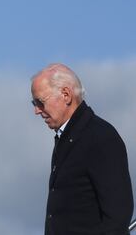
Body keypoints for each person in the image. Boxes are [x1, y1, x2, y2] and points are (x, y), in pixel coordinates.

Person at [31, 63, 133, 235]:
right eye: (34, 103)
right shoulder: (67, 138)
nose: (36, 110)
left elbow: (118, 216)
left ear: (66, 95)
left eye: (40, 102)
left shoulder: (100, 137)